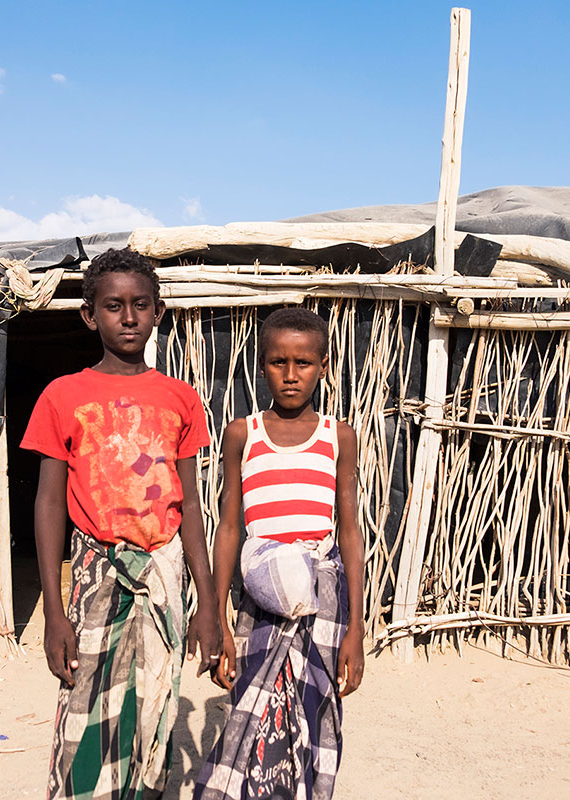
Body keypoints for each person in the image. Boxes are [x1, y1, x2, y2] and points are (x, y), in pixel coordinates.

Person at [21, 247, 223, 800]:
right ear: (90, 315)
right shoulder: (63, 396)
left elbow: (191, 507)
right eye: (114, 306)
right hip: (95, 575)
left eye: (140, 305)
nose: (128, 317)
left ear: (158, 312)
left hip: (164, 574)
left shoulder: (180, 398)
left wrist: (207, 606)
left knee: (156, 708)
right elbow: (48, 504)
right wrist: (53, 614)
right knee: (83, 709)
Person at [194, 307, 364, 800]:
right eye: (278, 362)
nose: (291, 375)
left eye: (304, 363)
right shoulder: (243, 433)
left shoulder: (339, 436)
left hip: (323, 603)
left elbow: (349, 532)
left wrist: (356, 628)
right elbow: (229, 527)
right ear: (261, 363)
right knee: (253, 710)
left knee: (314, 712)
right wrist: (220, 618)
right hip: (258, 600)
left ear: (325, 365)